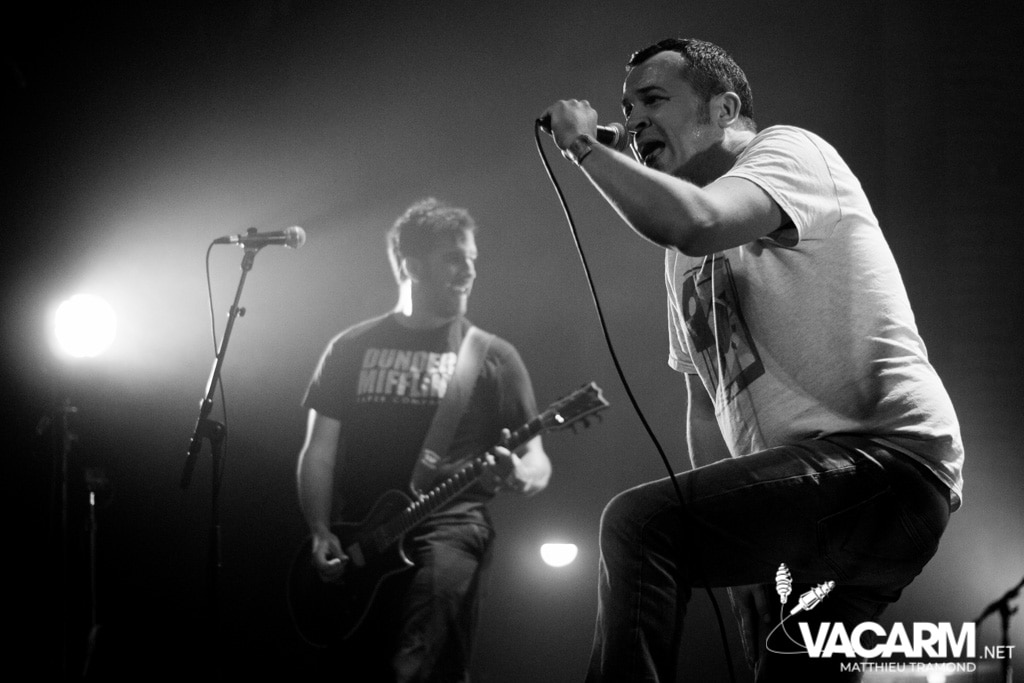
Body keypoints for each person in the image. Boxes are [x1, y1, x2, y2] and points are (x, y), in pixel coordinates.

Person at [542, 38, 963, 682]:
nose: (633, 122)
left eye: (652, 100)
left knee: (639, 525)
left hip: (882, 464)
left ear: (724, 109)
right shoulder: (679, 257)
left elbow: (697, 221)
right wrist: (735, 555)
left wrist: (583, 147)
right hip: (805, 499)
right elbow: (706, 406)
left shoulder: (789, 151)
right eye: (626, 110)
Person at [296, 198, 551, 682]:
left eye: (472, 258)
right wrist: (320, 529)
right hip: (364, 538)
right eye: (453, 258)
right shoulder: (350, 347)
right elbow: (319, 452)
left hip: (452, 526)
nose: (469, 270)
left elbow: (536, 459)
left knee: (416, 665)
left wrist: (516, 475)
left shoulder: (494, 357)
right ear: (411, 266)